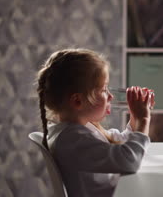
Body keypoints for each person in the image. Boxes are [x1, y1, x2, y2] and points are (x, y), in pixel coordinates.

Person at [35, 48, 154, 197]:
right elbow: (129, 161)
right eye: (104, 90)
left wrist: (135, 120)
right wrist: (143, 120)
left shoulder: (78, 129)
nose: (110, 96)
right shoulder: (71, 140)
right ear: (78, 101)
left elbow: (120, 145)